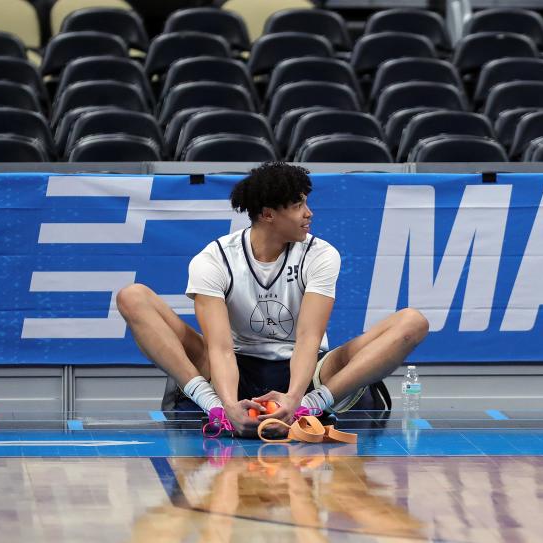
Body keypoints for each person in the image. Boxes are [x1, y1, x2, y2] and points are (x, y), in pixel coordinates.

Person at [117, 162, 429, 437]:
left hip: (310, 373)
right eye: (297, 206)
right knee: (133, 297)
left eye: (306, 203)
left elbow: (308, 338)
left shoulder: (321, 254)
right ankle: (212, 408)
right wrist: (224, 404)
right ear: (268, 214)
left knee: (412, 322)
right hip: (234, 366)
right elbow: (221, 348)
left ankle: (313, 406)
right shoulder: (213, 259)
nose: (309, 214)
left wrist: (297, 400)